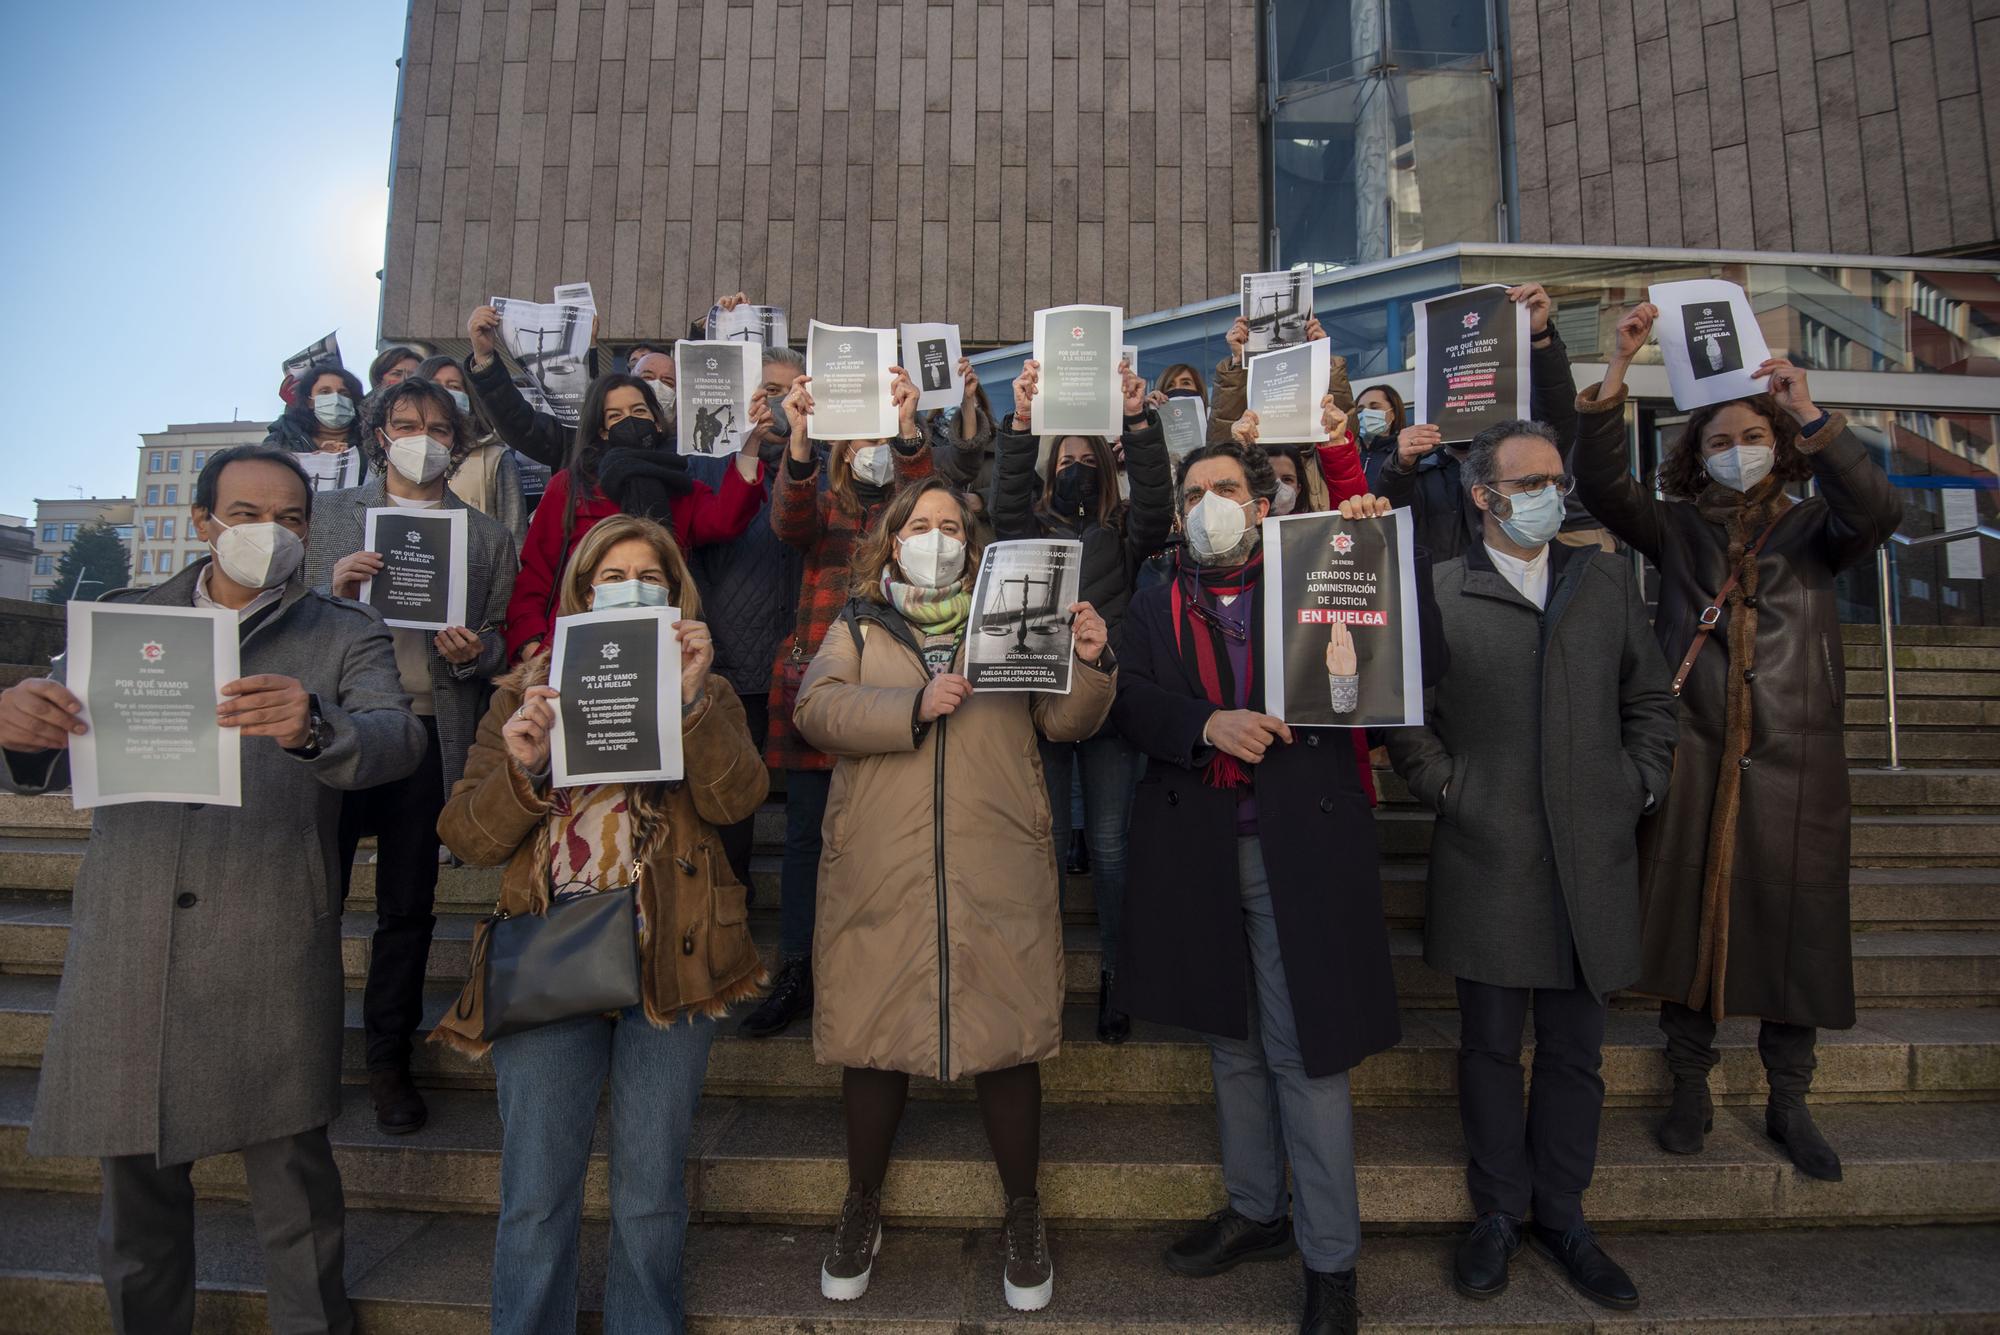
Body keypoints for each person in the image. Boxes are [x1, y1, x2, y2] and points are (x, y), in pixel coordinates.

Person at [0, 445, 426, 1334]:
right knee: (136, 1201)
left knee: (296, 1194)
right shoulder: (118, 618)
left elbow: (397, 741)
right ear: (203, 522)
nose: (269, 533)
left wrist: (318, 727)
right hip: (132, 935)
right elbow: (40, 756)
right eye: (245, 514)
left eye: (292, 518)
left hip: (267, 932)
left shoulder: (345, 631)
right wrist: (23, 728)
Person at [1111, 437, 1435, 1335]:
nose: (1211, 502)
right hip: (1201, 853)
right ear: (1178, 515)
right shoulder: (1153, 598)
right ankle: (1256, 1209)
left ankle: (1331, 1260)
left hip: (1303, 850)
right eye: (1195, 493)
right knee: (1232, 1042)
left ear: (1261, 501)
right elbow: (1128, 701)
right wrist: (1205, 721)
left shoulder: (1319, 569)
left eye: (1227, 487)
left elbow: (1420, 662)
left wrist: (1386, 551)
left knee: (1307, 1056)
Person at [1577, 306, 1903, 1183]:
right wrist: (1617, 366)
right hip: (1696, 746)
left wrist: (1808, 410)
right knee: (1690, 918)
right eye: (1721, 437)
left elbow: (1877, 507)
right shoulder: (1679, 526)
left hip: (1797, 759)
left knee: (1794, 925)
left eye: (1753, 434)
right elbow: (1605, 489)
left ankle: (1789, 1098)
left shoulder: (1814, 527)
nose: (1737, 447)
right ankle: (1691, 1081)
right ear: (1698, 451)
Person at [431, 514, 768, 1334]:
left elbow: (738, 800)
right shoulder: (522, 690)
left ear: (673, 589)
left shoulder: (709, 688)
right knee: (537, 1194)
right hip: (552, 951)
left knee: (650, 1194)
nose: (630, 587)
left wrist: (691, 703)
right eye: (611, 574)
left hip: (673, 952)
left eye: (647, 574)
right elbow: (467, 838)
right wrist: (520, 765)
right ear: (583, 591)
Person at [792, 477, 1116, 1311]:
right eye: (919, 524)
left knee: (1004, 1036)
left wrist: (1089, 662)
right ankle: (862, 1202)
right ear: (892, 540)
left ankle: (1023, 1210)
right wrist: (913, 702)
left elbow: (1065, 721)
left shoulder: (1013, 617)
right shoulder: (859, 624)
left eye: (949, 526)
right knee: (872, 1036)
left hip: (995, 858)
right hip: (880, 864)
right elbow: (816, 708)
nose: (934, 536)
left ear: (972, 547)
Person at [1386, 418, 1676, 1310]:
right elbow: (1405, 714)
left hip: (1590, 854)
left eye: (1556, 477)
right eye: (1531, 481)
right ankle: (1499, 1213)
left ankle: (1564, 1213)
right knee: (1488, 1048)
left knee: (1576, 1053)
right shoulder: (1438, 590)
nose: (1553, 492)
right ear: (1483, 495)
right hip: (1489, 851)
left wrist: (1636, 783)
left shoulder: (1602, 582)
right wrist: (1448, 789)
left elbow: (1651, 699)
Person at [303, 376, 519, 1135]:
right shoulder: (326, 516)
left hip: (425, 733)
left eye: (436, 425)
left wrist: (471, 651)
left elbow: (498, 641)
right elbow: (284, 618)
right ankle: (302, 1045)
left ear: (456, 443)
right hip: (332, 729)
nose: (421, 436)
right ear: (380, 433)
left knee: (407, 906)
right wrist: (329, 590)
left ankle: (387, 1058)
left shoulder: (486, 538)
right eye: (405, 422)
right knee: (308, 900)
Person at [740, 370, 934, 1039]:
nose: (871, 448)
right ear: (841, 450)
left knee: (882, 837)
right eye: (860, 439)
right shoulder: (824, 503)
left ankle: (880, 965)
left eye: (881, 439)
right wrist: (796, 439)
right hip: (820, 689)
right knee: (804, 839)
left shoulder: (914, 511)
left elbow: (931, 492)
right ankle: (796, 966)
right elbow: (787, 518)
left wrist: (908, 430)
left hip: (894, 691)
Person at [992, 357, 1173, 1042]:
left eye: (1083, 457)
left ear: (1102, 463)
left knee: (1109, 844)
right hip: (1040, 706)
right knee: (1040, 845)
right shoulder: (1028, 529)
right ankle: (1037, 975)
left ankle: (1117, 977)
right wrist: (1019, 423)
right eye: (1061, 456)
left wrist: (1138, 420)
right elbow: (1005, 505)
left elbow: (1157, 508)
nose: (1073, 466)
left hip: (1108, 710)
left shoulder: (1124, 531)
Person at [503, 373, 766, 661]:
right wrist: (531, 644)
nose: (629, 420)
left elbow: (724, 520)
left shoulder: (680, 487)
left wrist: (749, 444)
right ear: (602, 430)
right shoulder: (570, 486)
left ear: (656, 421)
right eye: (615, 416)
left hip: (659, 641)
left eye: (639, 411)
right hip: (575, 645)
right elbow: (536, 574)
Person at [689, 345, 807, 887]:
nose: (776, 402)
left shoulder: (828, 465)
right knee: (731, 804)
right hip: (734, 662)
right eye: (766, 390)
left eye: (787, 390)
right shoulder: (707, 466)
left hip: (805, 663)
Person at [1368, 284, 1596, 563]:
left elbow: (1558, 414)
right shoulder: (1422, 471)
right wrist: (1400, 465)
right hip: (1446, 597)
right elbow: (1388, 516)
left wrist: (1540, 337)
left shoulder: (1521, 457)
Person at [416, 353, 534, 548]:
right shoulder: (394, 453)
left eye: (454, 387)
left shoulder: (494, 457)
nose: (444, 393)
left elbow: (514, 533)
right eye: (436, 385)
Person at [264, 360, 371, 491]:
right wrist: (317, 462)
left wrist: (355, 457)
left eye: (344, 393)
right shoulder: (281, 438)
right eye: (325, 392)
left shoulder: (372, 440)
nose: (336, 399)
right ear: (309, 401)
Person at [925, 357, 998, 526]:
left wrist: (982, 500)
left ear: (978, 402)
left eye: (965, 399)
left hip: (982, 539)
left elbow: (1023, 493)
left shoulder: (1000, 445)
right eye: (952, 398)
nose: (958, 404)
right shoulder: (924, 446)